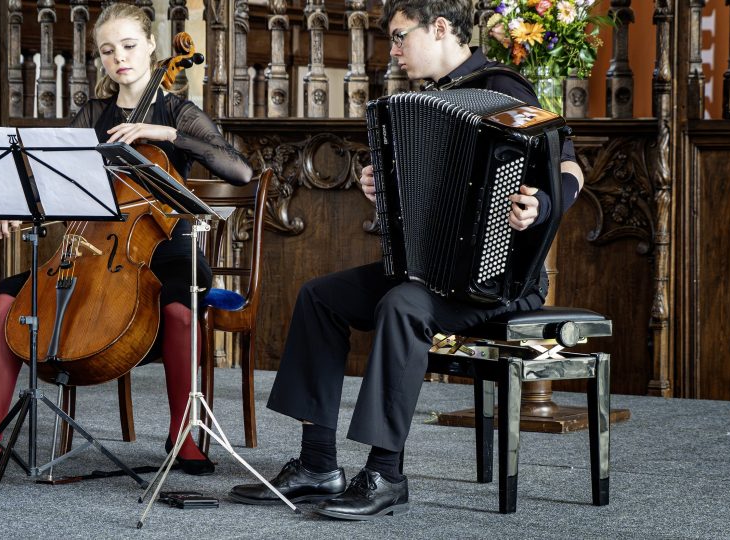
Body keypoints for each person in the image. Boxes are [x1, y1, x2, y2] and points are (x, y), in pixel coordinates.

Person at [229, 0, 584, 520]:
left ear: (439, 28)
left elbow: (572, 168)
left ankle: (385, 474)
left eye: (399, 38)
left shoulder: (507, 90)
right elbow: (419, 192)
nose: (393, 53)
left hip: (497, 280)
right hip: (430, 274)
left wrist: (543, 205)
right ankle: (317, 465)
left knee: (401, 305)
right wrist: (382, 186)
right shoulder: (421, 100)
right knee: (319, 296)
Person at [0, 3, 252, 480]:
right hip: (94, 246)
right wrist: (11, 208)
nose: (119, 57)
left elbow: (239, 170)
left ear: (149, 46)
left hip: (168, 244)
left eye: (127, 45)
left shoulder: (176, 110)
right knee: (6, 299)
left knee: (180, 309)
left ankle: (182, 435)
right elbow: (53, 184)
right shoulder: (93, 114)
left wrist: (163, 132)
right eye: (107, 50)